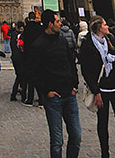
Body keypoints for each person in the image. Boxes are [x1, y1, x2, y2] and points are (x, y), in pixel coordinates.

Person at [80, 15, 115, 158]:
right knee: (102, 123)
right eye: (105, 24)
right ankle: (105, 153)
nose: (107, 27)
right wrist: (96, 91)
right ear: (99, 27)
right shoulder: (88, 45)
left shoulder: (111, 40)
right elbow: (86, 72)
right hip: (101, 90)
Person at [33, 9, 81, 158]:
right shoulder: (38, 45)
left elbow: (71, 63)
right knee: (57, 141)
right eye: (57, 21)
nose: (60, 23)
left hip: (69, 95)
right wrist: (46, 91)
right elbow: (34, 72)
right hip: (54, 98)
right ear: (50, 24)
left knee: (77, 135)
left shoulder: (62, 41)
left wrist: (74, 85)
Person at [22, 11, 44, 107]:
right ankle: (41, 99)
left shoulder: (27, 28)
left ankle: (30, 99)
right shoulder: (39, 27)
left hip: (29, 55)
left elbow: (24, 41)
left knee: (31, 78)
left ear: (28, 18)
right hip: (39, 54)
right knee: (39, 77)